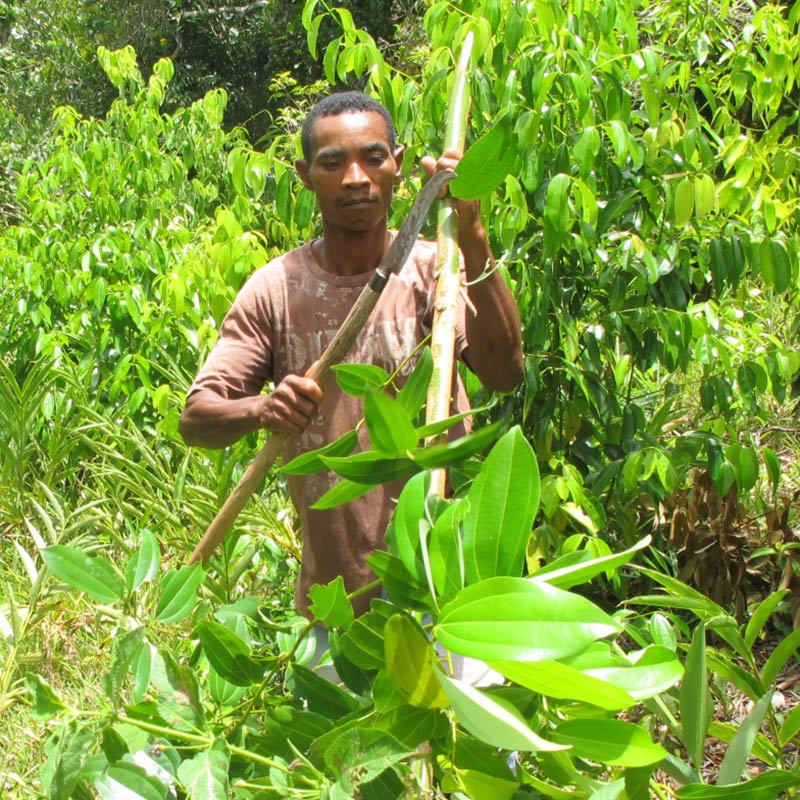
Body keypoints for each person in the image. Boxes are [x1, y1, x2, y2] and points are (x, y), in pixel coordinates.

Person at [179, 91, 523, 619]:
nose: (356, 178)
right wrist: (263, 409)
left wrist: (474, 236)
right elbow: (198, 419)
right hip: (338, 605)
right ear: (304, 175)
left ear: (399, 166)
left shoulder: (441, 268)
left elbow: (505, 373)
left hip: (449, 590)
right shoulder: (277, 289)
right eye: (333, 163)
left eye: (373, 158)